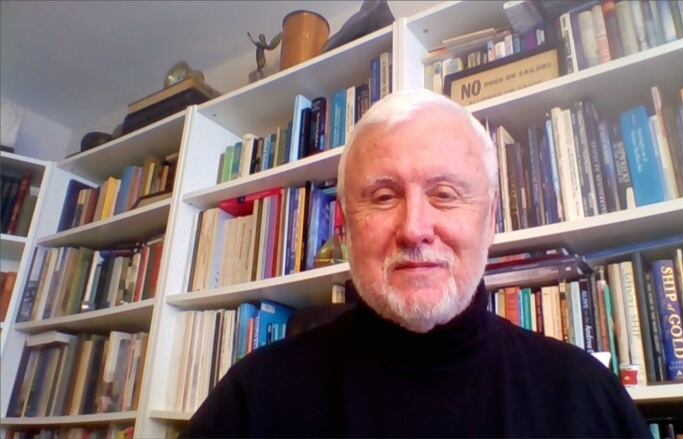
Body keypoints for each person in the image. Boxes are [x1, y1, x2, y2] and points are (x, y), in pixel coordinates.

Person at [182, 89, 651, 438]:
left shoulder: (586, 394)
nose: (414, 228)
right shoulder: (255, 397)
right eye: (383, 197)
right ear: (344, 228)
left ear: (490, 221)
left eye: (444, 194)